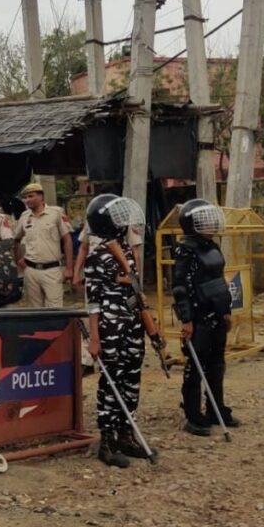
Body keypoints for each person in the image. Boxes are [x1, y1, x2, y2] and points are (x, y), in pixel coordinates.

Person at [82, 194, 151, 467]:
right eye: (118, 217)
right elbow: (93, 303)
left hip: (132, 323)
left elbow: (133, 289)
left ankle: (126, 434)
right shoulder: (96, 257)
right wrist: (95, 339)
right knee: (111, 382)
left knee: (131, 379)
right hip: (110, 327)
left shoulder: (124, 250)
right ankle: (107, 441)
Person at [171, 199, 240, 436]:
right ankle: (192, 414)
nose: (211, 224)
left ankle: (216, 408)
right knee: (196, 365)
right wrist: (186, 320)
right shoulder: (185, 249)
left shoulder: (212, 246)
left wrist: (226, 310)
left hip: (216, 312)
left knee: (216, 364)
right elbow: (181, 288)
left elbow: (221, 281)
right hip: (198, 315)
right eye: (205, 221)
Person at [73, 215, 143, 374]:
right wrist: (77, 272)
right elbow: (84, 247)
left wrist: (136, 284)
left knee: (130, 367)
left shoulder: (124, 225)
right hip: (103, 295)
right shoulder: (96, 252)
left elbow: (135, 254)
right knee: (94, 317)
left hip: (126, 305)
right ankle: (88, 360)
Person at [13, 183, 73, 308]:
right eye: (26, 197)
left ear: (41, 196)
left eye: (31, 196)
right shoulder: (24, 217)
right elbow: (16, 239)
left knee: (55, 309)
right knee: (34, 310)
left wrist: (69, 267)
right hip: (31, 271)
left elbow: (67, 239)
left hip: (52, 270)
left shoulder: (56, 213)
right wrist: (19, 259)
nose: (28, 200)